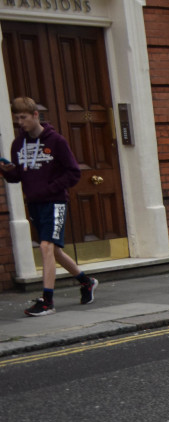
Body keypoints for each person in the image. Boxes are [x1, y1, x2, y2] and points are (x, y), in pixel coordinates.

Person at [2, 97, 98, 316]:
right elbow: (17, 177)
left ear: (36, 115)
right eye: (17, 118)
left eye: (23, 117)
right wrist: (6, 170)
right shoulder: (18, 144)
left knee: (46, 247)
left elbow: (73, 173)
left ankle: (47, 301)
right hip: (35, 204)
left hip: (55, 202)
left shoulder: (56, 141)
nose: (20, 122)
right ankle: (86, 282)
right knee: (53, 250)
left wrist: (50, 189)